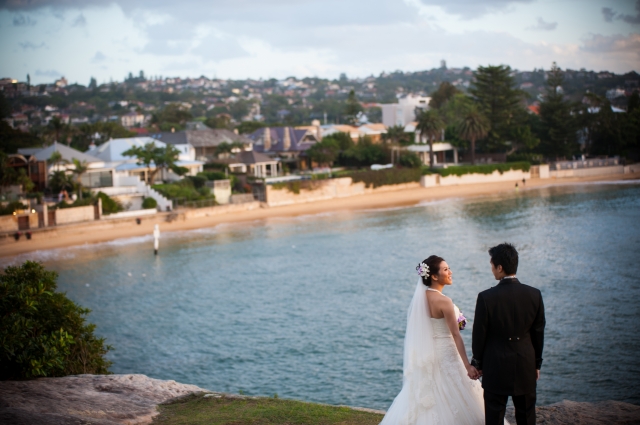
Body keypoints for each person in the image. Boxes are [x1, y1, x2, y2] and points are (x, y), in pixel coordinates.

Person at [380, 256, 508, 425]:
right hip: (446, 352)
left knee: (428, 391)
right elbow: (456, 334)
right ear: (434, 276)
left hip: (429, 352)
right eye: (446, 269)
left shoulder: (420, 299)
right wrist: (467, 366)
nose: (450, 272)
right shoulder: (444, 301)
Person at [471, 243, 545, 425]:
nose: (492, 270)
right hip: (525, 363)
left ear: (500, 267)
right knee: (527, 415)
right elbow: (538, 333)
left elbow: (479, 335)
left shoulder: (485, 297)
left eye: (491, 265)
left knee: (494, 417)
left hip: (494, 365)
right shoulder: (534, 294)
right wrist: (537, 364)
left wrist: (477, 363)